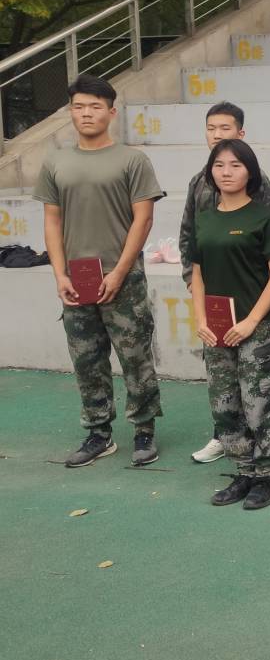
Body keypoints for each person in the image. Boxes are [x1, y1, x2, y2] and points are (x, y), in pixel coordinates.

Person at [36, 75, 166, 468]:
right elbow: (52, 221)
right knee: (86, 359)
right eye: (79, 106)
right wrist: (59, 274)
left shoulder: (132, 160)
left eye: (95, 106)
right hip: (77, 278)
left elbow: (143, 220)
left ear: (111, 112)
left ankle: (144, 430)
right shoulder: (56, 162)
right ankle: (98, 432)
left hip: (122, 277)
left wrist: (120, 272)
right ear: (70, 112)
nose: (87, 113)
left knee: (135, 356)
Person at [190, 139, 270, 509]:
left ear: (250, 172)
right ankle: (243, 470)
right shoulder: (204, 219)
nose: (226, 172)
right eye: (219, 165)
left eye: (235, 165)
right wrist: (201, 319)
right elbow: (198, 274)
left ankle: (265, 476)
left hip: (257, 329)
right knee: (225, 405)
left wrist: (251, 321)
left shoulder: (265, 219)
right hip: (217, 329)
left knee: (260, 404)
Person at [178, 101, 270, 465]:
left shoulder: (257, 183)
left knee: (256, 389)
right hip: (212, 295)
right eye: (211, 128)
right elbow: (189, 235)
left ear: (241, 133)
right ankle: (227, 440)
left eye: (225, 128)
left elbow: (260, 245)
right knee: (222, 383)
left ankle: (261, 461)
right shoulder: (198, 182)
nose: (217, 135)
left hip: (248, 299)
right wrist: (193, 281)